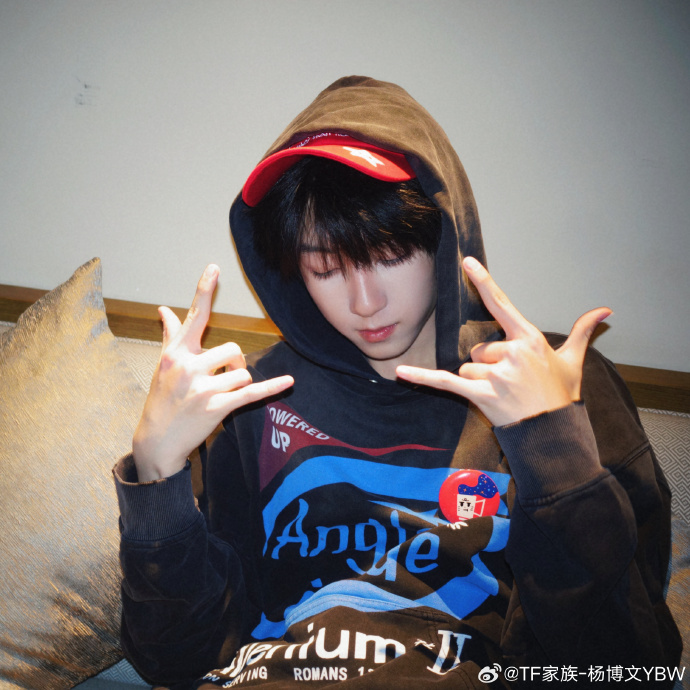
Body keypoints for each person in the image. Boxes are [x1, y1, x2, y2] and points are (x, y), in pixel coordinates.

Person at [114, 76, 680, 689]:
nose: (365, 302)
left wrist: (553, 454)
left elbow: (627, 667)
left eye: (388, 255)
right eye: (325, 266)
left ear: (444, 236)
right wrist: (156, 475)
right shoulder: (249, 400)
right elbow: (176, 661)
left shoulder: (553, 385)